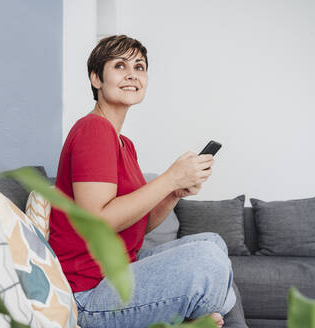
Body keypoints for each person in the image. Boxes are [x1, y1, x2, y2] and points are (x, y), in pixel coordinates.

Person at [49, 35, 236, 328]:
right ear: (96, 78)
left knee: (212, 243)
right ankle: (190, 317)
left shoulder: (124, 143)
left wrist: (174, 192)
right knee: (207, 260)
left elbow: (139, 223)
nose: (132, 75)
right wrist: (168, 178)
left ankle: (187, 315)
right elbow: (98, 221)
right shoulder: (93, 130)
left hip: (122, 271)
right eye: (120, 66)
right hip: (90, 294)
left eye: (139, 67)